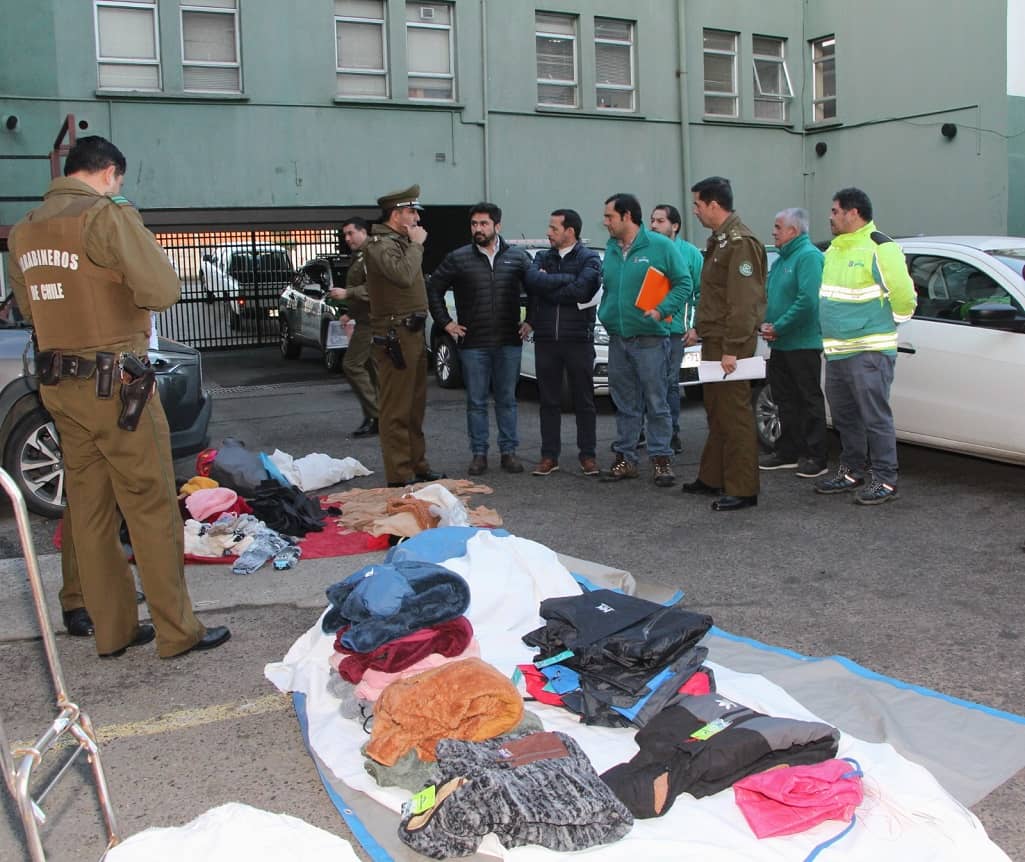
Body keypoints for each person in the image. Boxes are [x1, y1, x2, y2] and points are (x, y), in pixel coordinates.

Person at [7, 135, 229, 657]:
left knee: (86, 506)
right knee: (150, 505)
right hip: (117, 387)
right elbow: (162, 289)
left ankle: (114, 630)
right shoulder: (106, 216)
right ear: (109, 173)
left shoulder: (25, 230)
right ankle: (178, 631)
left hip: (60, 387)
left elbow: (26, 304)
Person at [814, 187, 916, 504]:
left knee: (875, 418)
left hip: (868, 351)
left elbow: (904, 296)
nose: (830, 217)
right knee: (845, 418)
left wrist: (890, 320)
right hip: (837, 352)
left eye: (834, 211)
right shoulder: (834, 250)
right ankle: (851, 471)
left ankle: (885, 480)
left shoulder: (880, 247)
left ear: (853, 213)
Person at [427, 203, 532, 476]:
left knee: (507, 399)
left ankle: (508, 453)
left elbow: (537, 290)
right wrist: (446, 323)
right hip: (473, 344)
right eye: (474, 224)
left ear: (497, 226)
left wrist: (531, 320)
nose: (478, 229)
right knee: (476, 401)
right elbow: (433, 288)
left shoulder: (517, 258)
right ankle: (479, 454)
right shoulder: (458, 258)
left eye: (484, 224)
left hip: (509, 341)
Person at [682, 176, 767, 512]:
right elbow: (716, 297)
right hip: (715, 339)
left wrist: (732, 347)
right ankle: (713, 476)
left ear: (714, 205)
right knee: (717, 411)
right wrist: (700, 330)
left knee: (735, 415)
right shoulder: (720, 241)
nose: (696, 211)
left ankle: (743, 487)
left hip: (731, 343)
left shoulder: (740, 243)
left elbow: (745, 303)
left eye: (698, 205)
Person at [599, 193, 692, 487]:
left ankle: (661, 459)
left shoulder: (660, 245)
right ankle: (626, 457)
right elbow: (610, 288)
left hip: (651, 339)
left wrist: (662, 309)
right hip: (618, 338)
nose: (606, 222)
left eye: (610, 216)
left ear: (627, 216)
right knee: (625, 402)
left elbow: (684, 283)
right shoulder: (612, 249)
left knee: (656, 400)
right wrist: (608, 315)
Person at [363, 184, 443, 488]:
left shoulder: (397, 241)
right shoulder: (381, 244)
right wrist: (417, 245)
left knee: (414, 406)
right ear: (397, 215)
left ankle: (417, 464)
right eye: (412, 212)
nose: (417, 220)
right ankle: (399, 473)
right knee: (396, 407)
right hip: (396, 334)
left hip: (411, 331)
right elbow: (403, 275)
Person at [523, 208, 602, 476]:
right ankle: (549, 456)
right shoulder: (542, 257)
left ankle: (588, 455)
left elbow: (583, 289)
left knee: (584, 401)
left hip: (578, 339)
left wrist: (550, 289)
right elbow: (532, 281)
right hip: (546, 339)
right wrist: (564, 282)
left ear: (570, 231)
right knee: (548, 401)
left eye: (554, 228)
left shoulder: (589, 257)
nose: (548, 232)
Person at [758, 208, 828, 478]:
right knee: (785, 400)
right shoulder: (781, 260)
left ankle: (816, 456)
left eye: (778, 227)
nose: (773, 231)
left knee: (808, 399)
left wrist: (779, 326)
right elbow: (770, 296)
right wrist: (766, 323)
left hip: (802, 342)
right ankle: (788, 451)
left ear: (793, 231)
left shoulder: (809, 257)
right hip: (782, 343)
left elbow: (808, 301)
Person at [649, 204, 704, 454]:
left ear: (675, 226)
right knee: (646, 383)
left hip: (675, 331)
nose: (653, 225)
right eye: (652, 220)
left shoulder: (691, 254)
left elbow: (700, 293)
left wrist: (694, 327)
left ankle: (672, 434)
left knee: (670, 384)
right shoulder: (646, 250)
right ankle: (646, 432)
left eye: (660, 221)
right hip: (647, 329)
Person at [329, 217, 379, 437]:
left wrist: (347, 293)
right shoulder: (360, 255)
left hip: (372, 322)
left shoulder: (371, 253)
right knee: (370, 370)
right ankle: (374, 416)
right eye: (345, 235)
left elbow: (377, 288)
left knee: (352, 365)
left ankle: (377, 414)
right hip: (365, 318)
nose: (347, 238)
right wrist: (350, 313)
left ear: (364, 231)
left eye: (351, 233)